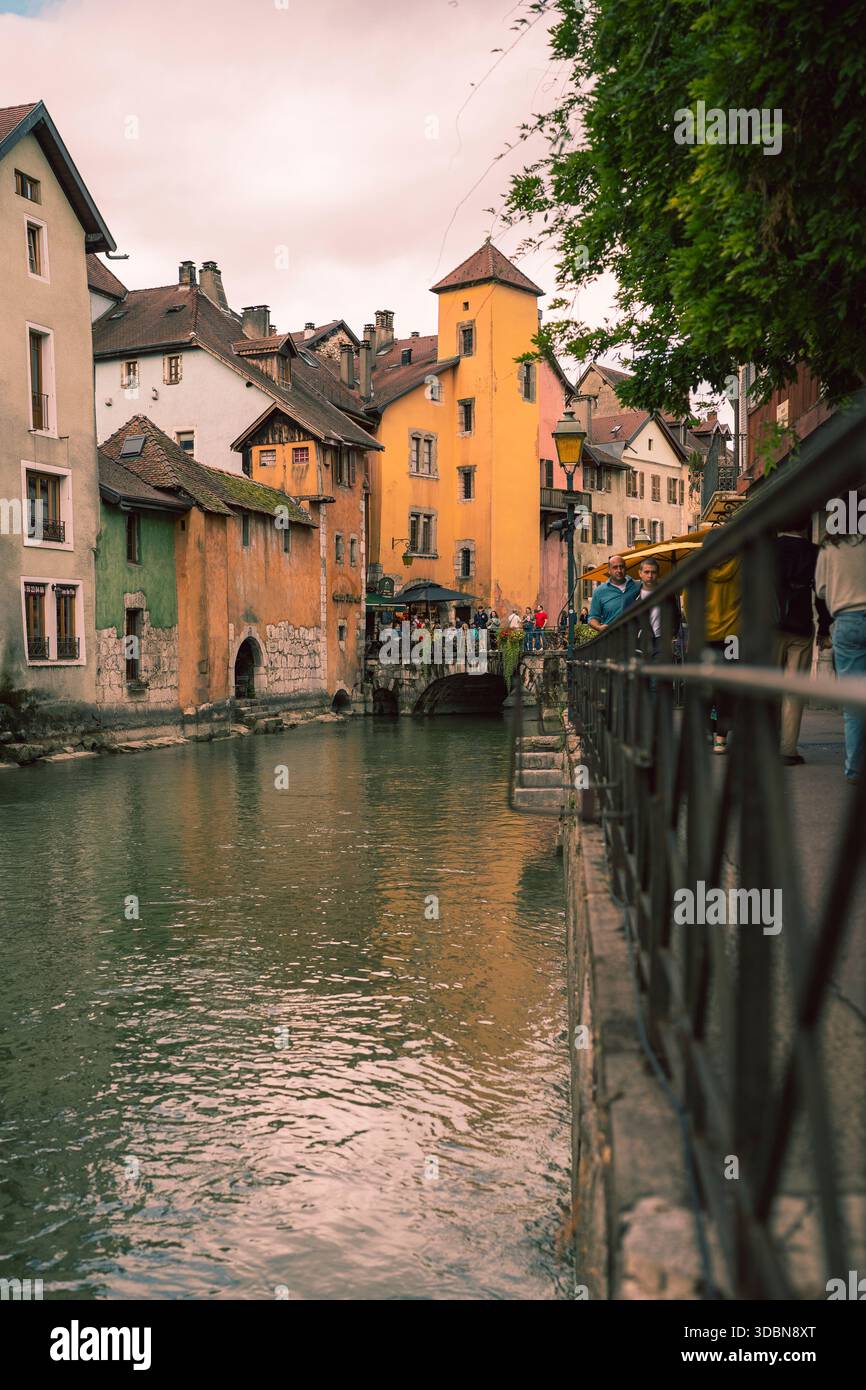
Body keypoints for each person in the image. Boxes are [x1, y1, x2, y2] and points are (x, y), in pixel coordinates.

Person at [775, 521, 830, 765]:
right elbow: (821, 594)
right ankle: (787, 749)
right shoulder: (814, 552)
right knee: (794, 690)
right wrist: (825, 628)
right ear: (805, 527)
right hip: (800, 624)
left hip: (769, 625)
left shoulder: (767, 551)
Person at [816, 532, 866, 784]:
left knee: (853, 703)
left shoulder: (830, 548)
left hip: (847, 620)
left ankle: (855, 770)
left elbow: (822, 589)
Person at [704, 555, 742, 754]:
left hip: (706, 636)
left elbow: (688, 606)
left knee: (706, 685)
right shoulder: (740, 568)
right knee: (727, 687)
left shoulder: (699, 571)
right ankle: (721, 739)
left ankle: (708, 732)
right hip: (732, 638)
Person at [588, 555, 641, 631]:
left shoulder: (637, 585)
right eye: (615, 567)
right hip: (611, 637)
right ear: (609, 570)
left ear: (625, 569)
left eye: (621, 567)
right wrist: (599, 627)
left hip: (634, 637)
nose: (619, 570)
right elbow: (592, 617)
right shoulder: (599, 592)